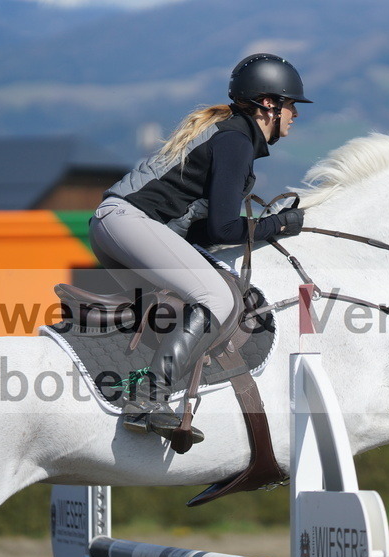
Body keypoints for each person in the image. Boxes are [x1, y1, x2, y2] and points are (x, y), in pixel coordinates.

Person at [89, 53, 311, 445]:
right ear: (268, 105)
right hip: (127, 221)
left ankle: (142, 381)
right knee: (217, 297)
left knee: (197, 294)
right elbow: (224, 227)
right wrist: (280, 224)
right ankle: (149, 397)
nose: (295, 113)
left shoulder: (233, 135)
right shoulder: (236, 140)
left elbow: (204, 233)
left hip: (122, 224)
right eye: (290, 104)